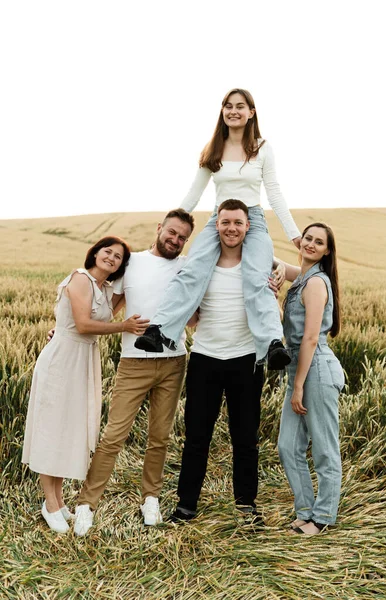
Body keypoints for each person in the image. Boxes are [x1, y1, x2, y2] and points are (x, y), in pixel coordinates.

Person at [135, 88, 301, 369]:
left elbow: (273, 192)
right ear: (222, 111)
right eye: (228, 106)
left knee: (257, 278)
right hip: (218, 220)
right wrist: (171, 225)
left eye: (240, 106)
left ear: (251, 112)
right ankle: (159, 329)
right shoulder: (213, 148)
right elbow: (194, 192)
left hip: (254, 220)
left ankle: (272, 343)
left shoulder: (262, 148)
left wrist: (294, 233)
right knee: (192, 271)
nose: (233, 111)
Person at [73, 209, 195, 536]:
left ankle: (150, 498)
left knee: (160, 437)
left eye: (183, 237)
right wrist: (67, 329)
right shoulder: (133, 263)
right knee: (114, 435)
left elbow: (195, 316)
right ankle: (86, 503)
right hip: (134, 361)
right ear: (160, 229)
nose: (176, 239)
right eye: (172, 232)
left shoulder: (187, 267)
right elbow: (104, 308)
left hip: (174, 361)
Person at [169, 200, 285, 523]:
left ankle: (246, 507)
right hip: (205, 358)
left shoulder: (261, 262)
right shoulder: (200, 262)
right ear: (216, 225)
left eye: (237, 222)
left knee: (245, 438)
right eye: (225, 222)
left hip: (246, 361)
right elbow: (190, 317)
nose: (231, 228)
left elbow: (297, 272)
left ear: (249, 226)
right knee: (196, 436)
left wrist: (277, 279)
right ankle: (186, 505)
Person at [22, 236, 137, 534]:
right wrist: (123, 327)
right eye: (107, 251)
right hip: (62, 360)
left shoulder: (105, 288)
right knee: (52, 430)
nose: (111, 258)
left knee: (66, 429)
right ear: (95, 253)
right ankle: (49, 503)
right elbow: (84, 325)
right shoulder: (80, 278)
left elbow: (114, 305)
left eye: (118, 257)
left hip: (82, 360)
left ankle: (59, 502)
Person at [277, 223, 345, 535]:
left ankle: (323, 517)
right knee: (288, 447)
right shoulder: (302, 275)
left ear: (327, 250)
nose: (311, 244)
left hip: (315, 369)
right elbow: (275, 263)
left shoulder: (316, 282)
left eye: (319, 242)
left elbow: (310, 339)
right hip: (300, 370)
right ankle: (305, 511)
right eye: (308, 238)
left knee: (324, 448)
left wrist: (299, 384)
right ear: (300, 240)